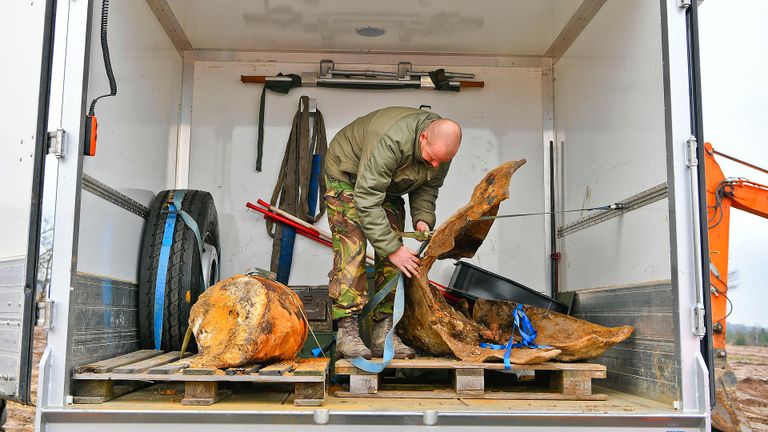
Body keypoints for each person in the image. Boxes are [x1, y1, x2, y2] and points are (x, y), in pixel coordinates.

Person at [323, 106, 462, 359]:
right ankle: (347, 331)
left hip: (387, 186)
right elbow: (366, 197)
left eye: (440, 161)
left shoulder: (440, 151)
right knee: (352, 248)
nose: (435, 164)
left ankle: (384, 330)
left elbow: (428, 187)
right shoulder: (389, 139)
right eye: (431, 157)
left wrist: (422, 219)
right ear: (423, 137)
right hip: (350, 178)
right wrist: (393, 248)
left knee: (397, 257)